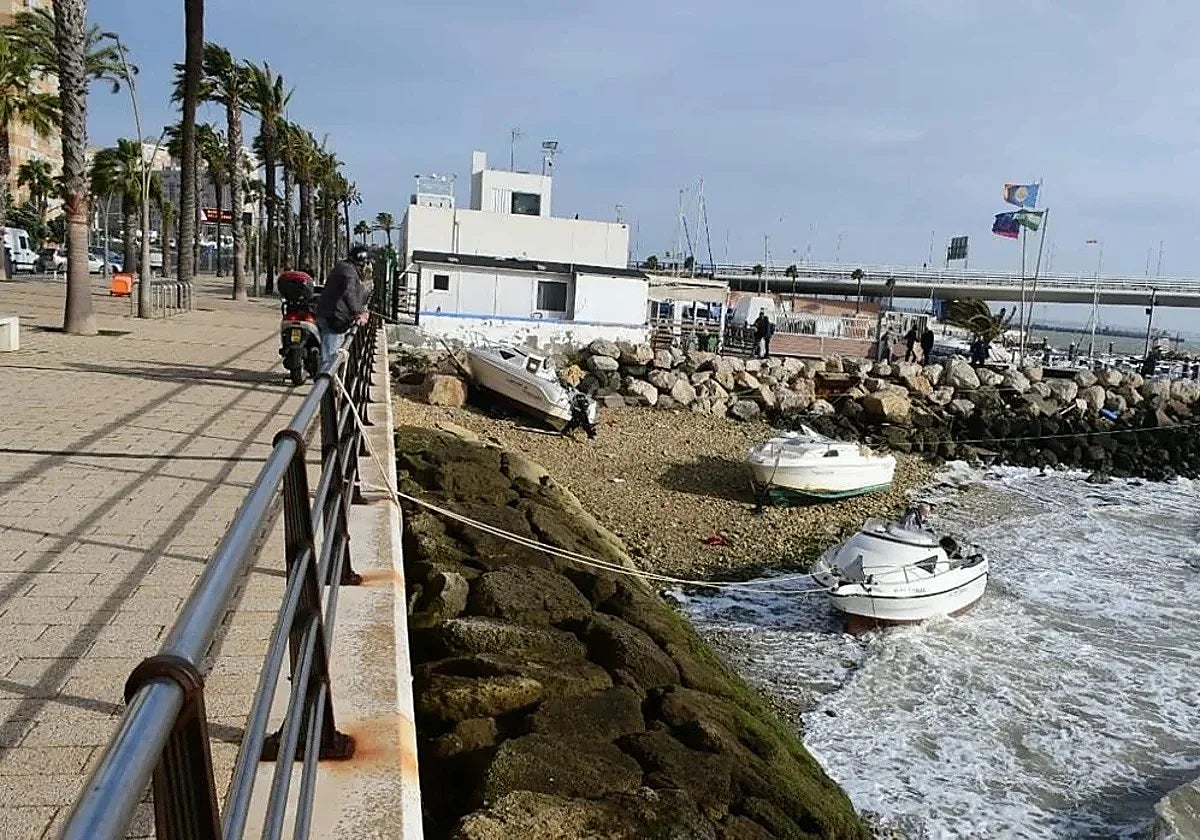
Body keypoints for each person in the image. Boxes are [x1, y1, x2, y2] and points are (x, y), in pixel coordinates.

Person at [315, 245, 371, 366]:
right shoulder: (349, 272)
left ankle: (328, 379)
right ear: (363, 263)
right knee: (331, 359)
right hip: (334, 318)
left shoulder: (343, 268)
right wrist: (358, 312)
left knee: (330, 354)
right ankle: (325, 382)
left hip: (330, 315)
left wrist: (362, 308)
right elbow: (349, 293)